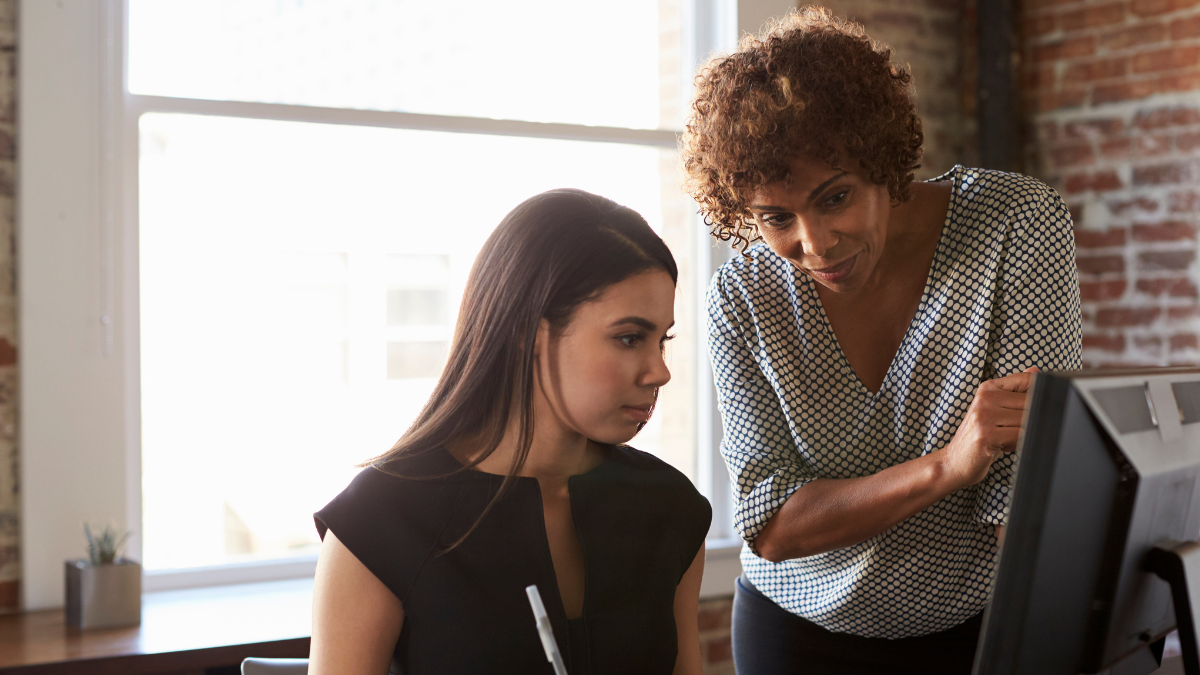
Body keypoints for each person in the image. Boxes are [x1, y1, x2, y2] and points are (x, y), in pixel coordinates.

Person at [680, 8, 1081, 674]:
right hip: (795, 631)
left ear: (884, 162)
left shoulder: (1014, 225)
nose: (815, 244)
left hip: (970, 629)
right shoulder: (742, 298)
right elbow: (773, 522)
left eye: (835, 197)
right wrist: (947, 466)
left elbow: (1024, 491)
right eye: (778, 217)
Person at [307, 189, 711, 675]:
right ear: (527, 333)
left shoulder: (671, 507)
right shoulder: (379, 519)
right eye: (629, 338)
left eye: (660, 340)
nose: (658, 372)